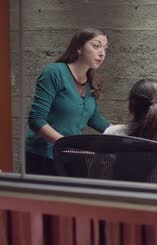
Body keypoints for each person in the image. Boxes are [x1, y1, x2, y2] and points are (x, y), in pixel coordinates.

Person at [26, 27, 110, 175]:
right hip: (44, 156)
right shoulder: (54, 72)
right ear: (79, 48)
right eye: (96, 46)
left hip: (73, 155)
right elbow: (36, 119)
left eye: (105, 48)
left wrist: (121, 132)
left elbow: (93, 117)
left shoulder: (91, 81)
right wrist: (67, 144)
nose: (102, 53)